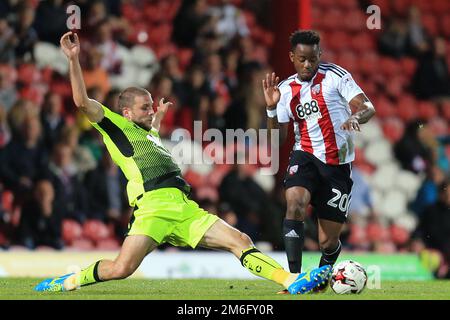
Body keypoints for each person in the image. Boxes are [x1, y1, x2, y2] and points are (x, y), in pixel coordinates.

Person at [34, 31, 331, 294]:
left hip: (183, 206)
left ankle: (290, 281)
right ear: (125, 112)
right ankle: (68, 281)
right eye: (145, 107)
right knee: (120, 269)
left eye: (152, 106)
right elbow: (82, 102)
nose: (151, 111)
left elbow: (150, 134)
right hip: (152, 207)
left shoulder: (148, 132)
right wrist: (74, 59)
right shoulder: (114, 126)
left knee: (239, 240)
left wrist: (157, 118)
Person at [262, 30, 376, 293]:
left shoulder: (337, 77)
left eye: (312, 59)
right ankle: (294, 278)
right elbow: (277, 140)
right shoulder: (284, 90)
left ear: (319, 56)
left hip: (337, 166)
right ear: (292, 57)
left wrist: (356, 118)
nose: (307, 65)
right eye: (302, 59)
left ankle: (323, 277)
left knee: (328, 241)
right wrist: (270, 109)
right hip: (305, 157)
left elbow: (367, 107)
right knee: (295, 203)